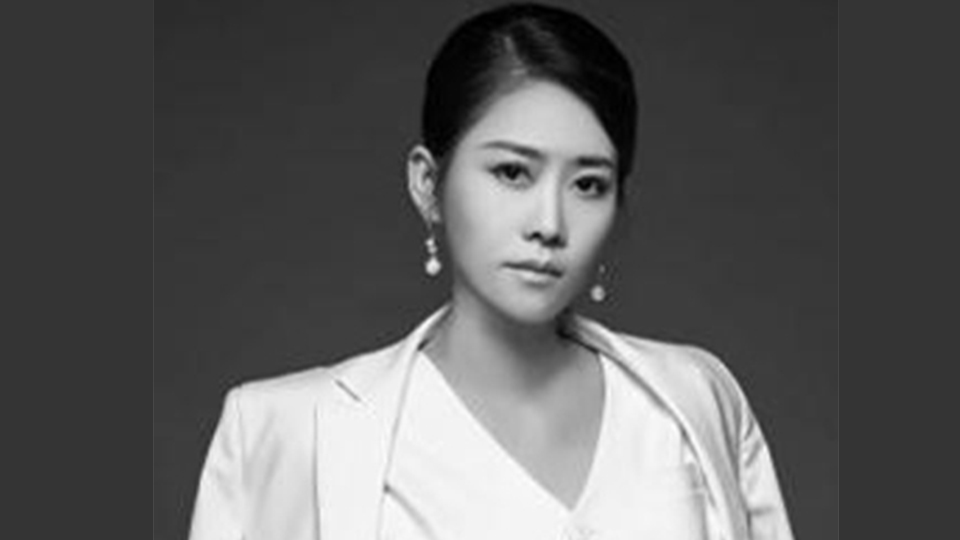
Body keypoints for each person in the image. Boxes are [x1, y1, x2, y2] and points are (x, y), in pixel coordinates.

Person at [187, 3, 794, 540]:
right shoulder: (285, 431)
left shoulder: (695, 400)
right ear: (428, 183)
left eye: (588, 184)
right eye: (512, 173)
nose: (549, 223)